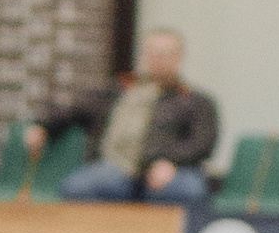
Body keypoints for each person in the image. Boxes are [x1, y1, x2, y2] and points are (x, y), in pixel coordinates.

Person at [28, 28, 217, 209]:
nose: (159, 58)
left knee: (188, 190)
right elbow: (75, 110)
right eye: (153, 52)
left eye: (167, 53)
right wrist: (43, 126)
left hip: (170, 169)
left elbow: (202, 142)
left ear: (179, 58)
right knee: (77, 187)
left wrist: (170, 162)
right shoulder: (118, 90)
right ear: (143, 55)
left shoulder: (195, 100)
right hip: (116, 168)